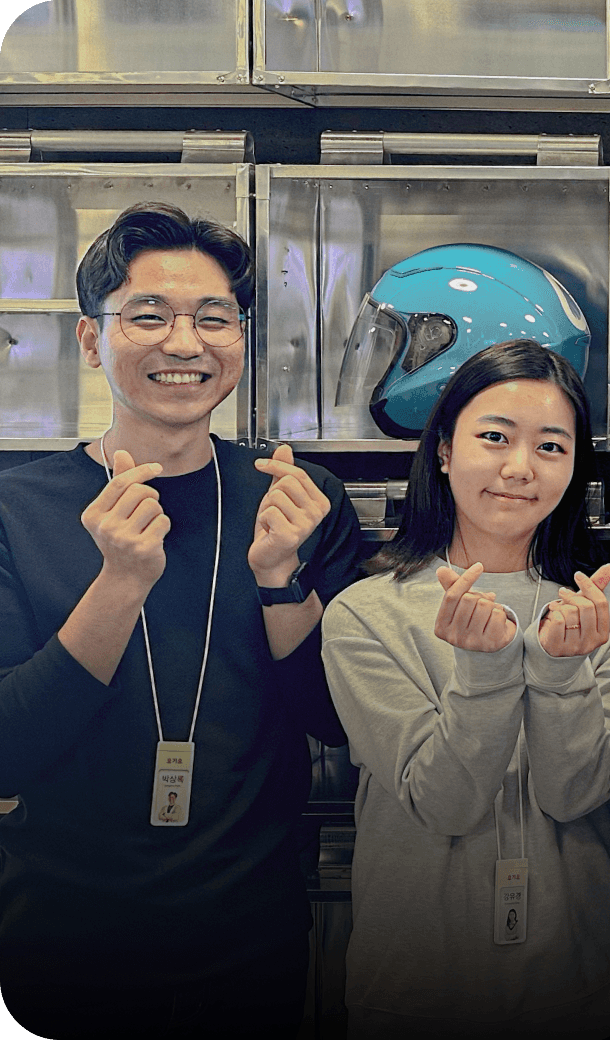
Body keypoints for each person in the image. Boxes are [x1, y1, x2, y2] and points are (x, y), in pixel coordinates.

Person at [0, 202, 364, 1038]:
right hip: (60, 945)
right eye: (149, 315)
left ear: (240, 339)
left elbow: (336, 722)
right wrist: (119, 584)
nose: (185, 342)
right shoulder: (16, 510)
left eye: (213, 318)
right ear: (92, 340)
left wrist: (280, 578)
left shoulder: (299, 501)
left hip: (253, 945)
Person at [322, 339, 610, 1038]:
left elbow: (576, 794)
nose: (520, 467)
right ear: (443, 450)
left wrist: (560, 671)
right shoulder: (363, 613)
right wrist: (486, 670)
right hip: (415, 990)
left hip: (582, 983)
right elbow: (444, 802)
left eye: (551, 447)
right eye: (495, 437)